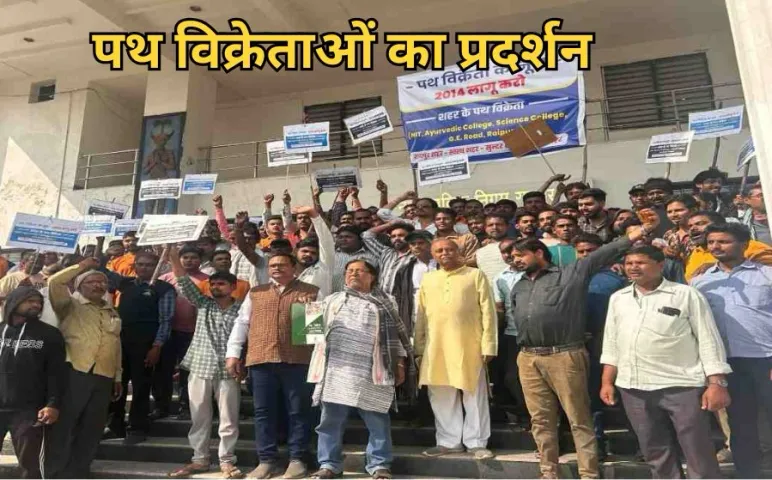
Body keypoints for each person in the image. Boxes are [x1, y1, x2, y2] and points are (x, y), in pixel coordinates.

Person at [510, 209, 659, 479]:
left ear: (540, 253)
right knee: (541, 420)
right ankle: (548, 471)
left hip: (564, 355)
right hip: (528, 358)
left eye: (520, 255)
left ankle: (588, 473)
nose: (515, 260)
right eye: (513, 257)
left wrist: (638, 232)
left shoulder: (571, 274)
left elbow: (604, 253)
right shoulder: (518, 286)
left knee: (578, 418)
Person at [601, 245, 731, 479]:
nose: (633, 267)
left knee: (697, 449)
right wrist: (607, 381)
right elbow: (611, 342)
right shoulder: (618, 299)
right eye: (629, 263)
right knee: (654, 450)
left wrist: (716, 383)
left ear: (660, 265)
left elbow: (708, 338)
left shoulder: (685, 294)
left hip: (682, 385)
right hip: (634, 387)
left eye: (640, 262)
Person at [310, 260, 413, 479]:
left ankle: (379, 465)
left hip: (374, 369)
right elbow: (309, 335)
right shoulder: (331, 300)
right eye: (350, 271)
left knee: (377, 420)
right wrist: (306, 308)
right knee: (330, 421)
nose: (353, 274)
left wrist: (400, 362)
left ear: (372, 276)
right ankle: (329, 465)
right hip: (337, 371)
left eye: (359, 270)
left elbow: (395, 337)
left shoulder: (386, 302)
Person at [225, 253, 321, 479]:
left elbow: (313, 334)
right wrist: (233, 354)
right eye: (273, 266)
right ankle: (266, 460)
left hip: (298, 360)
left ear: (294, 267)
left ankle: (297, 459)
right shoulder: (256, 292)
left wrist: (307, 312)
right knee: (263, 412)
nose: (277, 269)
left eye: (282, 265)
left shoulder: (310, 291)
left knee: (299, 411)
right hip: (261, 359)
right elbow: (242, 323)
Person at [691, 223, 772, 477]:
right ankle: (749, 473)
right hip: (728, 364)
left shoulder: (766, 275)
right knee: (741, 423)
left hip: (766, 359)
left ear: (744, 244)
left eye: (723, 241)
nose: (715, 247)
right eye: (712, 242)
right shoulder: (699, 283)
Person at [166, 246, 244, 480]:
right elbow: (182, 278)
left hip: (229, 371)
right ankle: (199, 459)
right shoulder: (203, 303)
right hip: (200, 367)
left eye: (221, 284)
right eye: (213, 284)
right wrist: (171, 254)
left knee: (229, 419)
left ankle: (226, 461)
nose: (216, 287)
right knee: (199, 417)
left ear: (232, 287)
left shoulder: (242, 310)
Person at [415, 239, 497, 460]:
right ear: (433, 254)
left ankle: (477, 442)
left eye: (450, 249)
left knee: (473, 394)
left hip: (470, 344)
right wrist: (419, 347)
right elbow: (421, 315)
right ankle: (448, 441)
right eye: (440, 250)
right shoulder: (429, 279)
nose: (445, 253)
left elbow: (488, 312)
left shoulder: (474, 275)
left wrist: (489, 344)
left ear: (459, 252)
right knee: (440, 394)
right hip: (435, 347)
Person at [47, 258, 122, 478]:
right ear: (79, 285)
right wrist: (81, 266)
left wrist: (118, 376)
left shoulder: (112, 311)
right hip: (76, 372)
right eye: (92, 282)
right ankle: (55, 470)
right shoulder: (68, 305)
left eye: (102, 282)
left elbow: (116, 346)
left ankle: (79, 470)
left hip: (104, 375)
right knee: (66, 423)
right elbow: (54, 282)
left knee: (93, 426)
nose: (98, 285)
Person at [103, 251, 176, 443]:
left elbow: (166, 320)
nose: (144, 268)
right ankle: (115, 425)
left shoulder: (164, 289)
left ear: (158, 267)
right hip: (121, 342)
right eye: (140, 264)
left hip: (147, 344)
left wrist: (157, 346)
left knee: (141, 386)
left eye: (149, 265)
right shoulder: (126, 284)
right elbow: (102, 272)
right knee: (117, 385)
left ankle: (137, 427)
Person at [0, 287, 65, 479]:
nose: (36, 305)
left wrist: (52, 404)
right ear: (14, 302)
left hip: (29, 410)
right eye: (30, 300)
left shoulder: (50, 334)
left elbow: (57, 373)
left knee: (30, 463)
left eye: (38, 302)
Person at [573, 233, 627, 460]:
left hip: (613, 344)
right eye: (581, 251)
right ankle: (597, 445)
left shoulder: (616, 280)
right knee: (590, 398)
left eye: (590, 251)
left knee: (624, 395)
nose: (586, 255)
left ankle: (642, 444)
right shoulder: (570, 276)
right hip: (580, 344)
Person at [156, 245, 209, 420]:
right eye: (185, 257)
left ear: (200, 260)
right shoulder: (165, 278)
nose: (189, 260)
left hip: (193, 333)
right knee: (164, 370)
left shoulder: (207, 280)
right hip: (168, 332)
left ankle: (186, 406)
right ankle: (161, 406)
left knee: (189, 373)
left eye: (193, 257)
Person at [493, 240, 528, 426]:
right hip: (512, 334)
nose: (508, 255)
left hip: (535, 334)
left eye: (511, 251)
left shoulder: (533, 274)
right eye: (504, 252)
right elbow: (499, 308)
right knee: (511, 378)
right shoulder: (499, 278)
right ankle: (525, 413)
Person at [685, 210, 772, 280]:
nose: (692, 228)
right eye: (690, 226)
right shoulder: (696, 252)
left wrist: (720, 267)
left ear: (718, 225)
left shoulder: (750, 247)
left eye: (700, 224)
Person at [392, 230, 437, 337]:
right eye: (413, 244)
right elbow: (398, 296)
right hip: (415, 312)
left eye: (421, 243)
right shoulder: (405, 270)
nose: (416, 246)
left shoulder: (442, 266)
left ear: (431, 244)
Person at [292, 206, 335, 298]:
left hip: (318, 311)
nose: (308, 254)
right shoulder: (287, 272)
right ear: (295, 252)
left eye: (313, 253)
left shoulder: (323, 268)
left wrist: (313, 214)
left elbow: (326, 241)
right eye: (305, 251)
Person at [332, 225, 378, 293]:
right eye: (340, 237)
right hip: (332, 300)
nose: (343, 240)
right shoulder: (331, 256)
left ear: (359, 239)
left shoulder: (372, 257)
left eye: (348, 237)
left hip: (361, 300)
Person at [475, 214, 512, 284]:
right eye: (490, 225)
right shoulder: (480, 252)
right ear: (485, 228)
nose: (494, 227)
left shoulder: (517, 246)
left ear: (507, 226)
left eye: (499, 224)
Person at [662, 194, 699, 263]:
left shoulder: (702, 233)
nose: (673, 215)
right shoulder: (669, 234)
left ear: (693, 210)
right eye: (669, 212)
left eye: (678, 210)